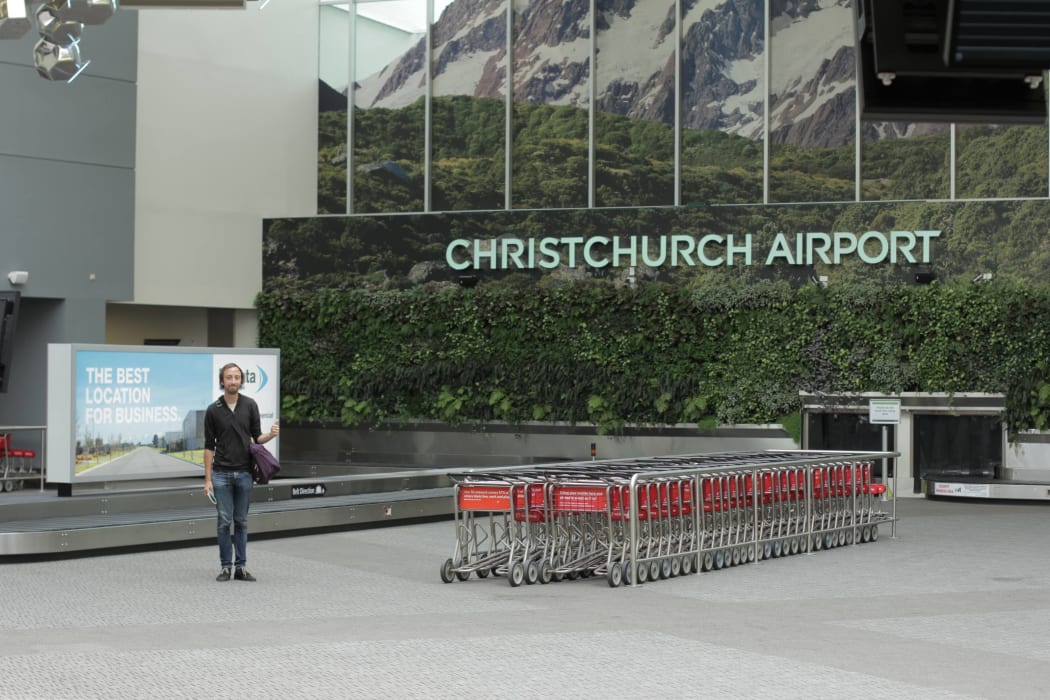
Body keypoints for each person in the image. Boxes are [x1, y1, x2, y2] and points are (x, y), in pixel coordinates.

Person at [204, 362, 279, 582]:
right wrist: (207, 479)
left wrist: (271, 435)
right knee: (224, 522)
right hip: (221, 474)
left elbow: (257, 438)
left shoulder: (250, 405)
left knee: (242, 521)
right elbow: (209, 447)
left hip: (245, 473)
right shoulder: (213, 410)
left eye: (237, 377)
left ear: (241, 380)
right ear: (222, 381)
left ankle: (241, 567)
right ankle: (226, 567)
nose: (233, 381)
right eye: (229, 377)